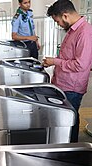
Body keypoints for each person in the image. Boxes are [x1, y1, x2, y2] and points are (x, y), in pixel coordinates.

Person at [43, 0, 92, 142]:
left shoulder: (85, 33)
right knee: (64, 118)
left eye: (57, 21)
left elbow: (81, 65)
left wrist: (54, 62)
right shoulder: (73, 30)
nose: (58, 24)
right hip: (63, 83)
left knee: (70, 120)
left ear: (65, 16)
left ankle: (71, 149)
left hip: (72, 87)